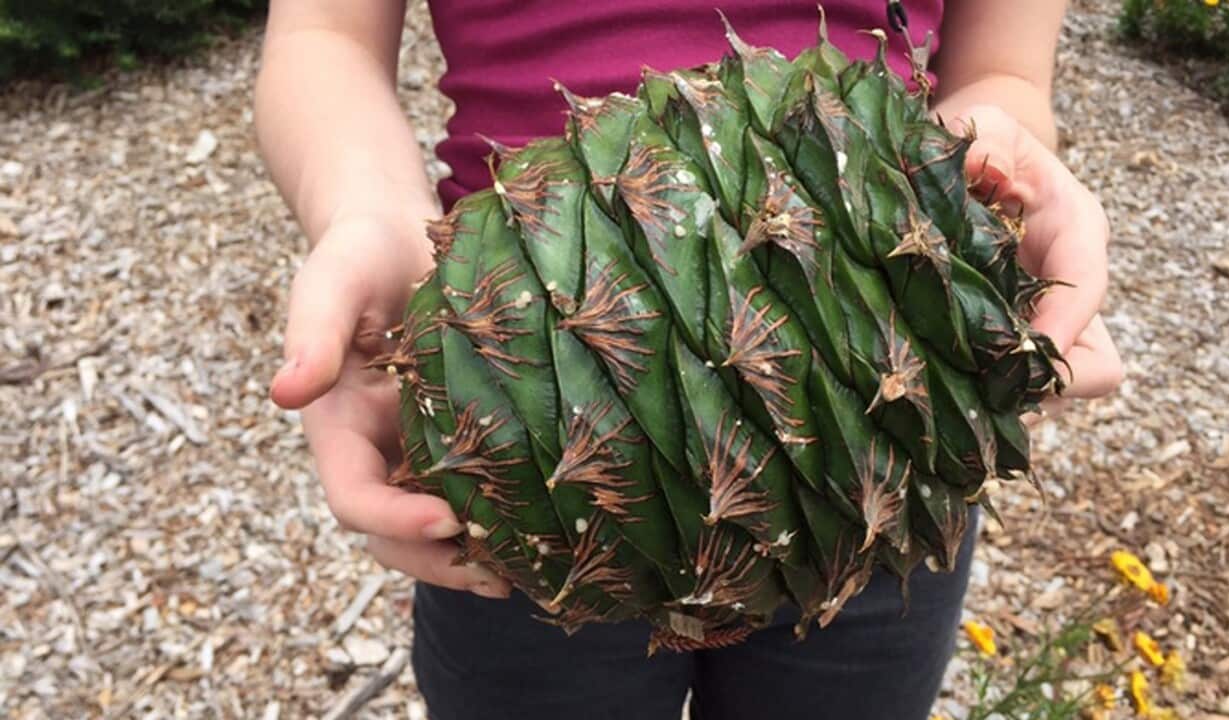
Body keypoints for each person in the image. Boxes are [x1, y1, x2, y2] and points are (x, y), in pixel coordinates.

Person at [254, 1, 1124, 718]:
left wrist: (997, 170)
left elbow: (1004, 65)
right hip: (517, 417)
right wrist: (365, 214)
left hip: (873, 424)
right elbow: (324, 34)